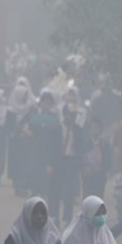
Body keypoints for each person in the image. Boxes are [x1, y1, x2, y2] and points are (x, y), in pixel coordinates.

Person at [48, 88, 86, 225]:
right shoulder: (55, 129)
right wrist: (50, 164)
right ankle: (53, 216)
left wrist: (79, 165)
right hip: (57, 162)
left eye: (73, 114)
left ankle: (67, 217)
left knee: (69, 191)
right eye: (69, 114)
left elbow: (81, 149)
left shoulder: (78, 130)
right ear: (64, 115)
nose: (71, 117)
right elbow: (50, 148)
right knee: (54, 189)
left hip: (70, 162)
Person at [81, 117, 112, 200]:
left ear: (100, 129)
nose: (94, 130)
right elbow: (81, 159)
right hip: (88, 177)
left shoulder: (105, 145)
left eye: (96, 128)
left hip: (100, 177)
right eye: (92, 128)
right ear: (89, 130)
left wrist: (101, 168)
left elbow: (109, 162)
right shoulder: (85, 144)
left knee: (98, 200)